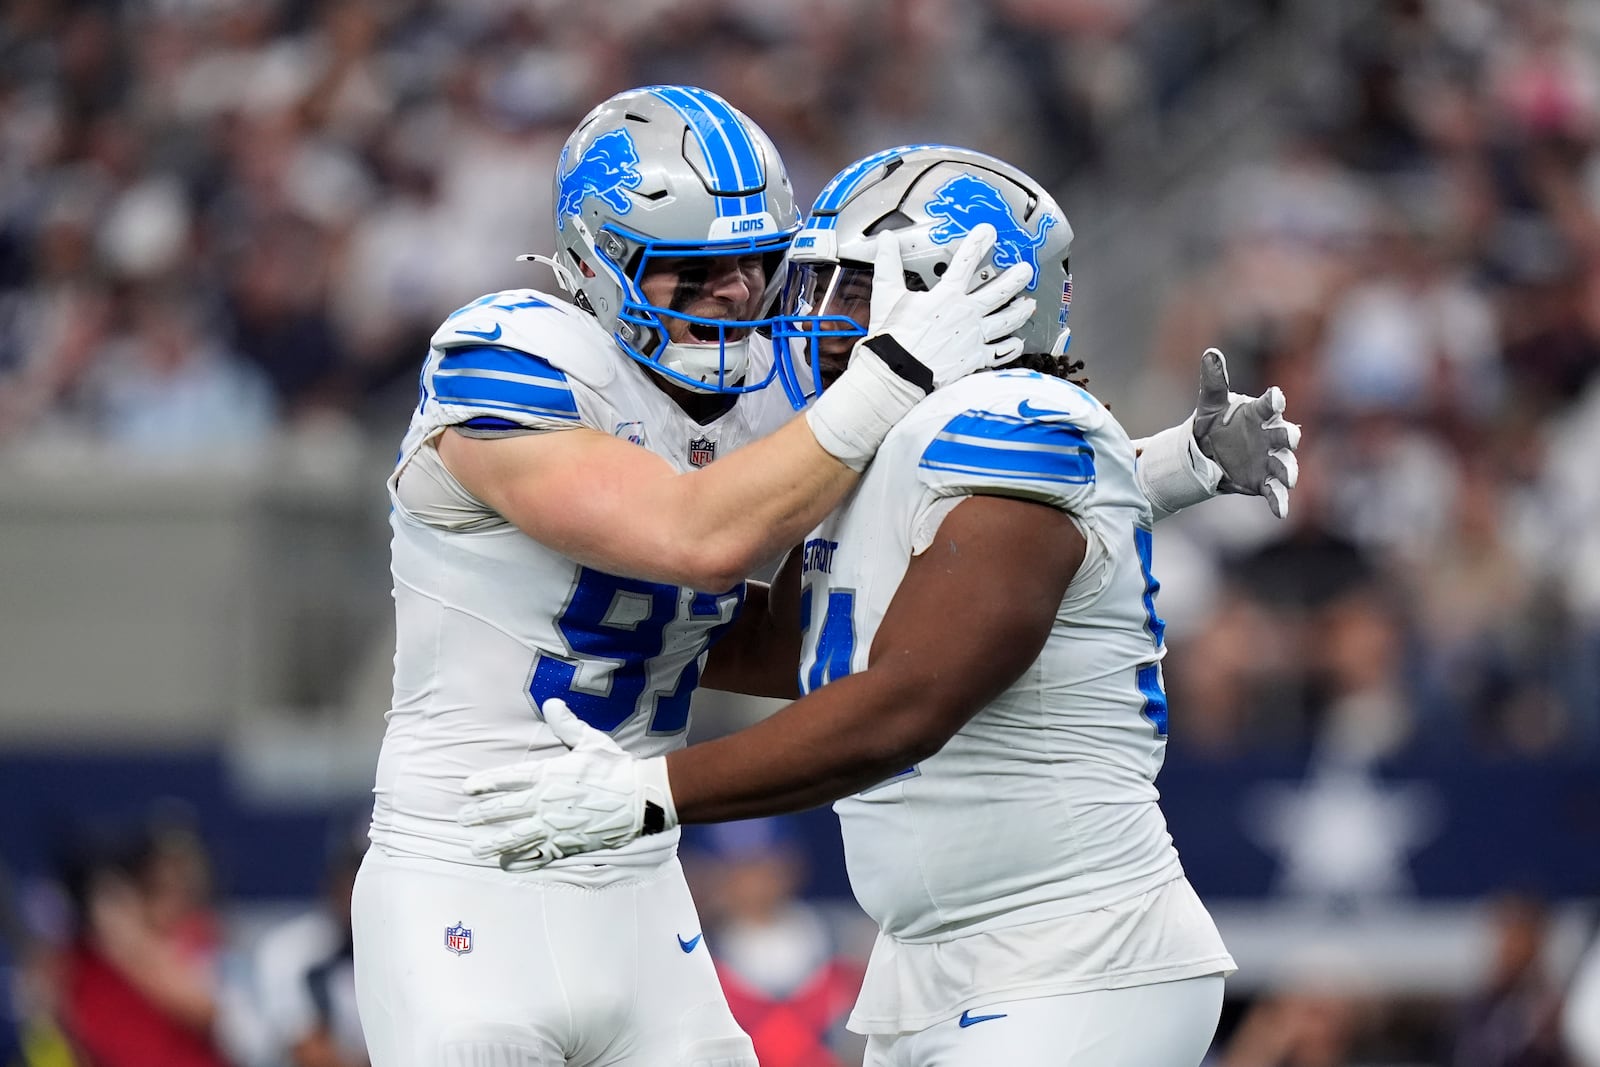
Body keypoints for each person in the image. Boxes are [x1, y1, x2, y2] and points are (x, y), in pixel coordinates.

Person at [358, 83, 1293, 1065]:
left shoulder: (792, 392)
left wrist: (1162, 468)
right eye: (697, 269)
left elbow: (924, 548)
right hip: (466, 856)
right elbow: (697, 540)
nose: (738, 296)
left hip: (636, 872)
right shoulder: (515, 355)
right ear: (601, 262)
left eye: (756, 266)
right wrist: (888, 381)